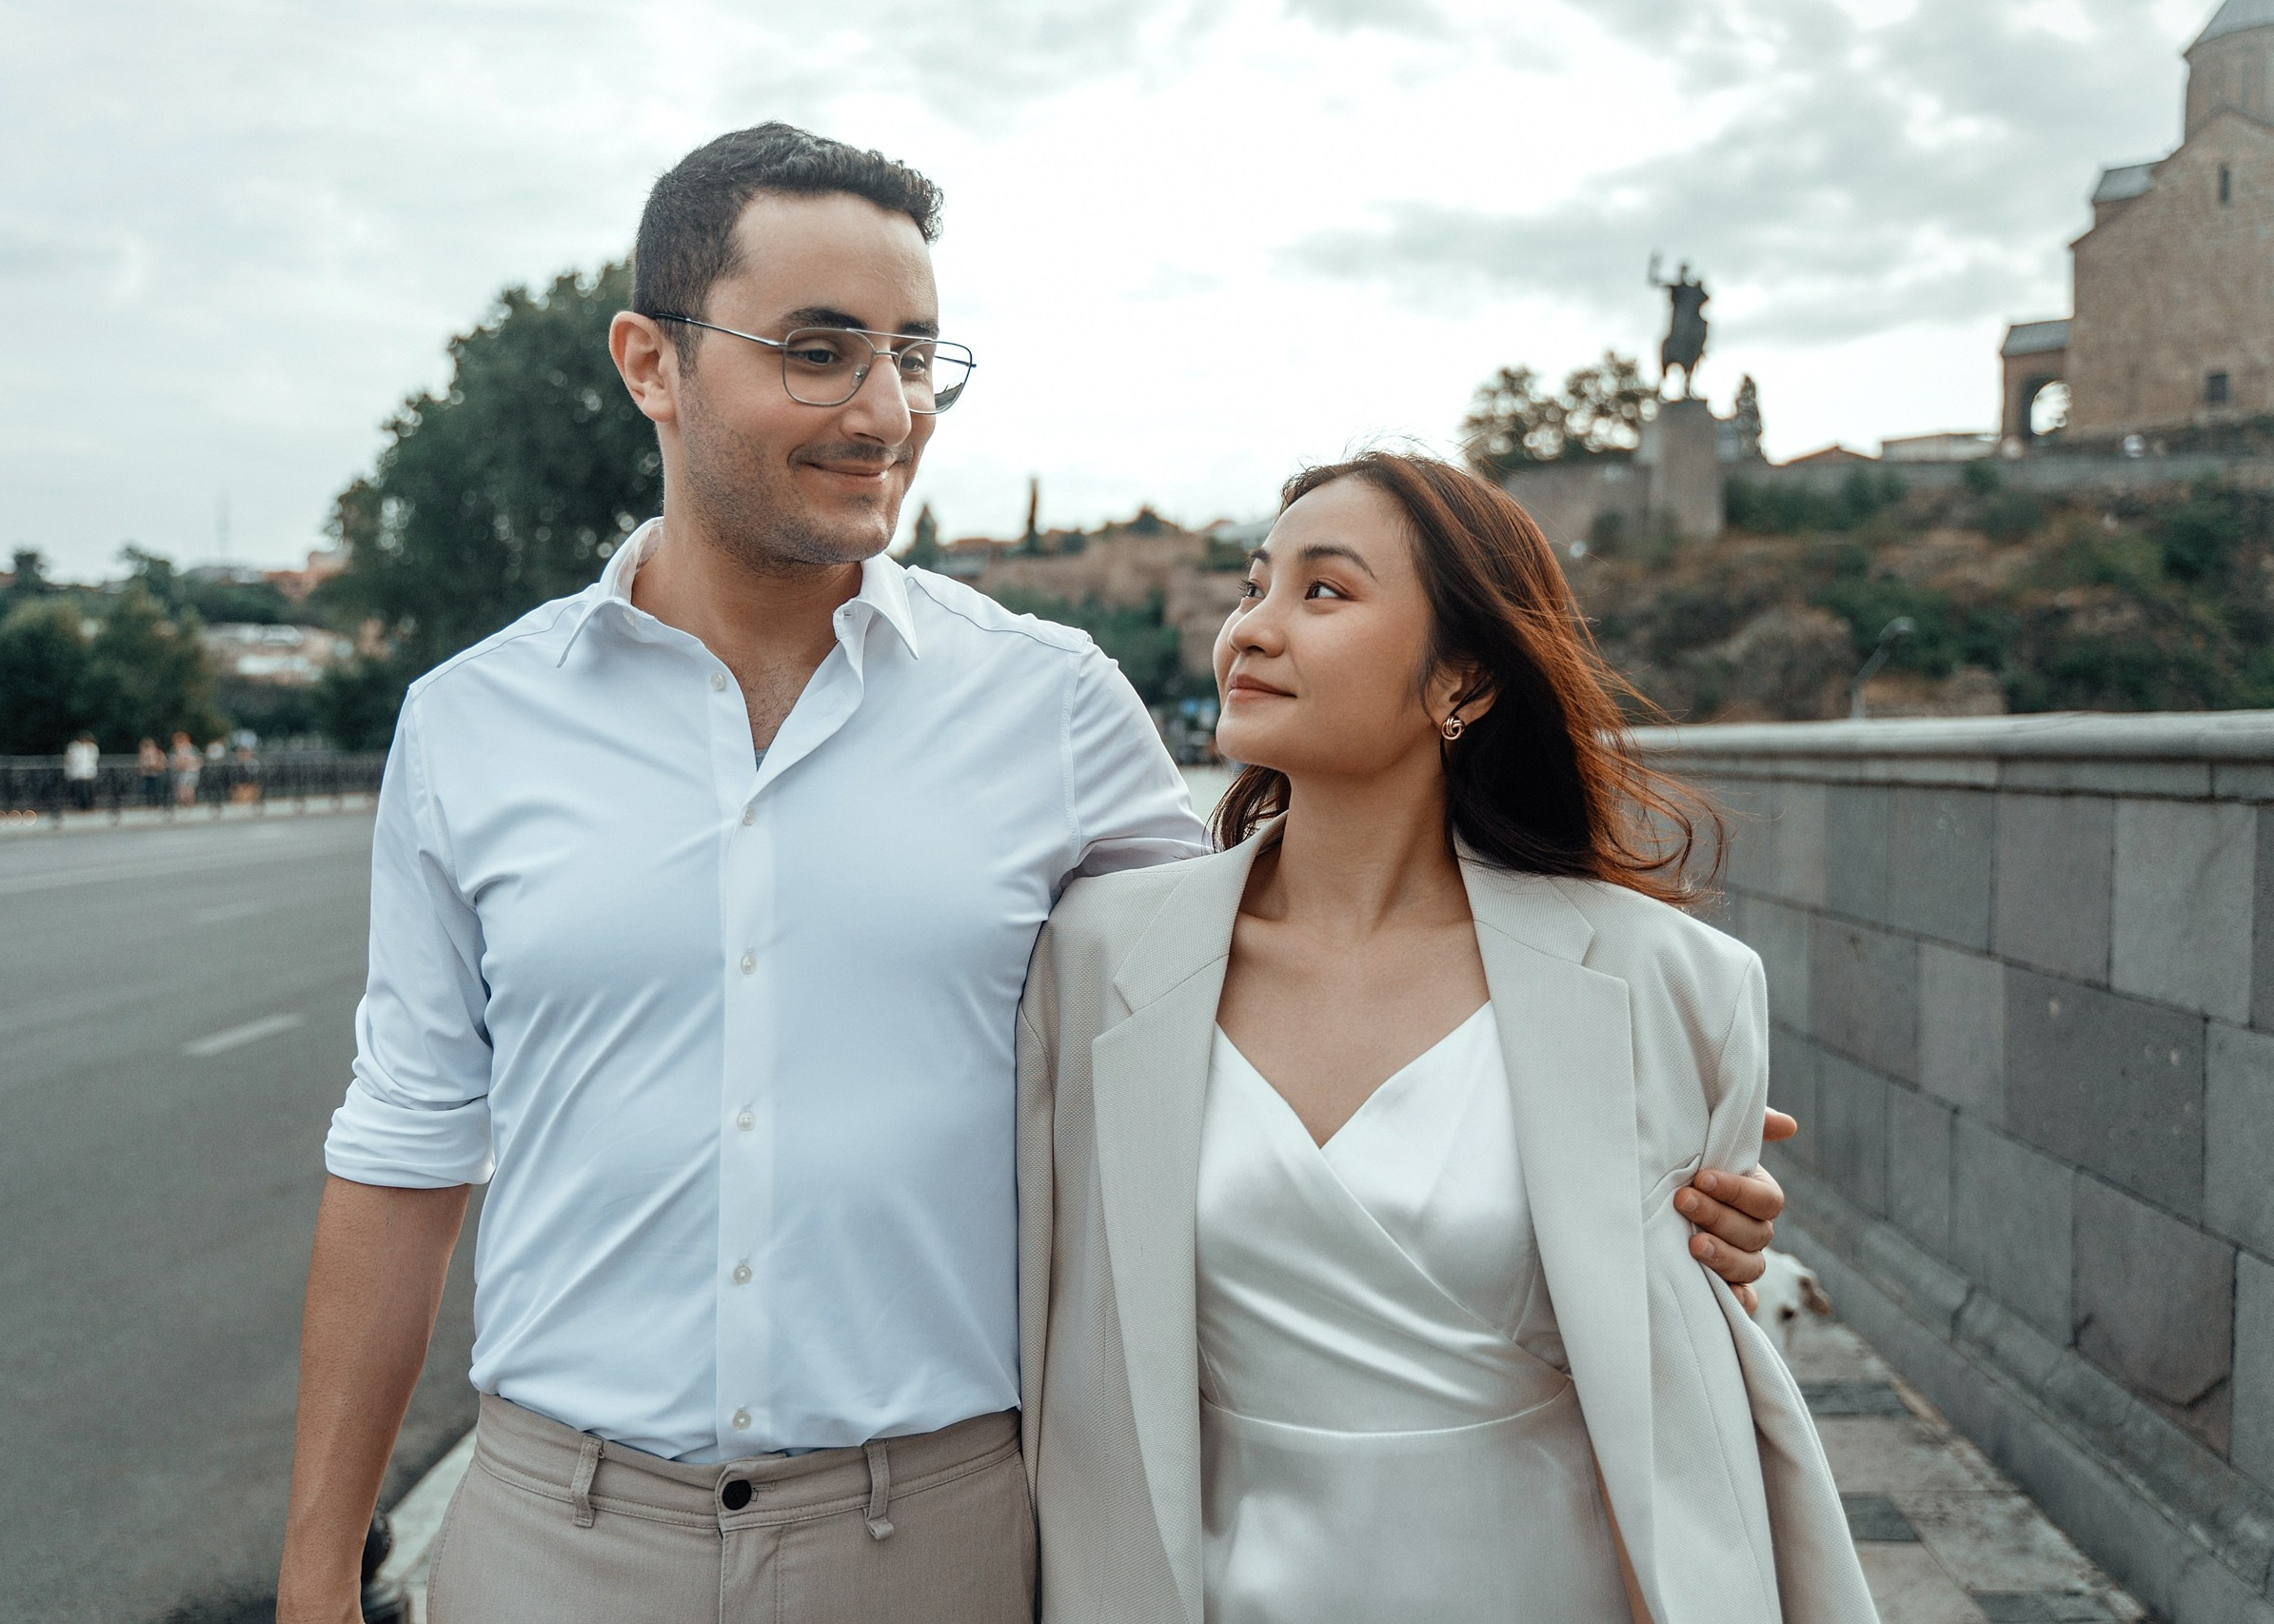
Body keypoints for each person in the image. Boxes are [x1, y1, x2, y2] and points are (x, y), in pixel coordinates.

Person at [275, 127, 1787, 1624]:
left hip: (936, 1540)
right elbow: (408, 1142)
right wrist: (315, 1572)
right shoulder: (469, 725)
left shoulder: (1052, 703)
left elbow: (1256, 977)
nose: (885, 409)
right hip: (559, 1533)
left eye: (916, 355)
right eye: (819, 350)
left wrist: (1615, 1139)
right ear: (650, 362)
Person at [1020, 452, 1872, 1624]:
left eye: (1322, 593)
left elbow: (1683, 1396)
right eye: (1252, 586)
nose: (1250, 631)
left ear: (1460, 677)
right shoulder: (1097, 957)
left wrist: (1714, 1238)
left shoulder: (1665, 983)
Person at [63, 731, 100, 814]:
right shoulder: (77, 747)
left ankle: (88, 805)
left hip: (87, 772)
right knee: (81, 790)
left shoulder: (92, 748)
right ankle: (83, 806)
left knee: (87, 790)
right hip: (79, 773)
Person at [169, 731, 202, 808]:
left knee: (189, 790)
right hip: (179, 775)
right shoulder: (174, 751)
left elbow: (198, 761)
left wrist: (186, 763)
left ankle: (190, 806)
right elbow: (175, 763)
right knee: (181, 792)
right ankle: (182, 806)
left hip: (191, 773)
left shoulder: (193, 749)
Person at [136, 737, 167, 809]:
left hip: (157, 774)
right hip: (147, 775)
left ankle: (157, 804)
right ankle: (149, 804)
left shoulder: (158, 753)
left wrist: (154, 765)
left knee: (157, 790)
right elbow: (141, 764)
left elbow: (163, 762)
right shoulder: (143, 754)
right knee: (148, 790)